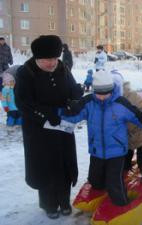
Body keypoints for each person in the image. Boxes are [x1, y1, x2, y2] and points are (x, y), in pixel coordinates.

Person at [61, 69, 142, 205]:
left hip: (116, 151)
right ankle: (99, 186)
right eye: (98, 93)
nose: (102, 97)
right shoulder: (89, 103)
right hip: (96, 150)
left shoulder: (121, 103)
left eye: (106, 93)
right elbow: (75, 115)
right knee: (95, 180)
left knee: (114, 182)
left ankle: (121, 203)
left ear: (111, 90)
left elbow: (138, 116)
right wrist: (59, 114)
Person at [14, 35, 83, 219]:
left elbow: (73, 88)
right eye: (47, 59)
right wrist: (46, 114)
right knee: (46, 167)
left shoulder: (62, 67)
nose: (52, 63)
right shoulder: (25, 73)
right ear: (37, 57)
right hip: (39, 132)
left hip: (62, 128)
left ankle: (64, 201)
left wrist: (75, 100)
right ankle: (49, 204)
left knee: (64, 164)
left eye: (55, 58)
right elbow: (23, 103)